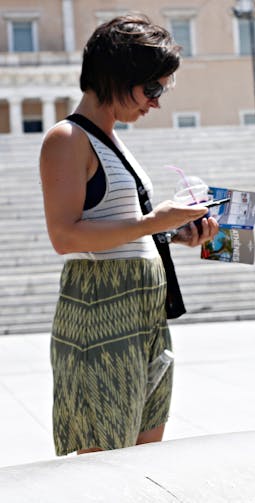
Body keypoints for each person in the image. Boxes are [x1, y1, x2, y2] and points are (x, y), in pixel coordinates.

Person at [39, 14, 219, 456]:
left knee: (143, 454)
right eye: (151, 88)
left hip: (146, 312)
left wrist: (174, 234)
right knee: (101, 462)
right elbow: (65, 237)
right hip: (100, 309)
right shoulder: (66, 138)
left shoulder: (114, 140)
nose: (155, 102)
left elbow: (120, 229)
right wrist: (153, 222)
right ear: (118, 75)